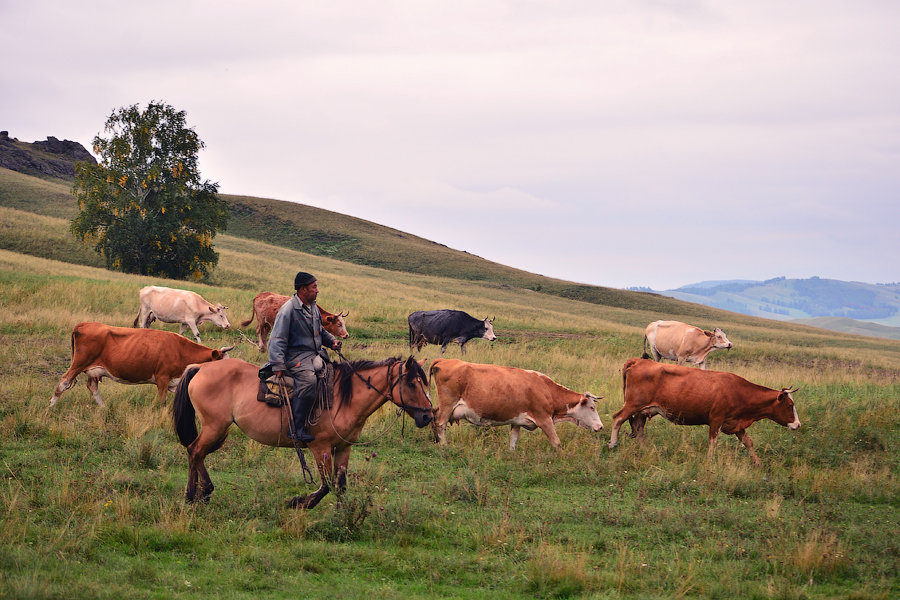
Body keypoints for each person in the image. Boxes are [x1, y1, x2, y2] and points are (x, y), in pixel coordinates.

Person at [269, 272, 342, 442]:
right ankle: (296, 429)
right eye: (314, 287)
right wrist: (278, 364)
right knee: (308, 381)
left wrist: (331, 341)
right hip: (294, 357)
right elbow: (277, 339)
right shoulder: (288, 310)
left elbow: (319, 330)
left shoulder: (312, 307)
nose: (317, 290)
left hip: (312, 354)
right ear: (303, 289)